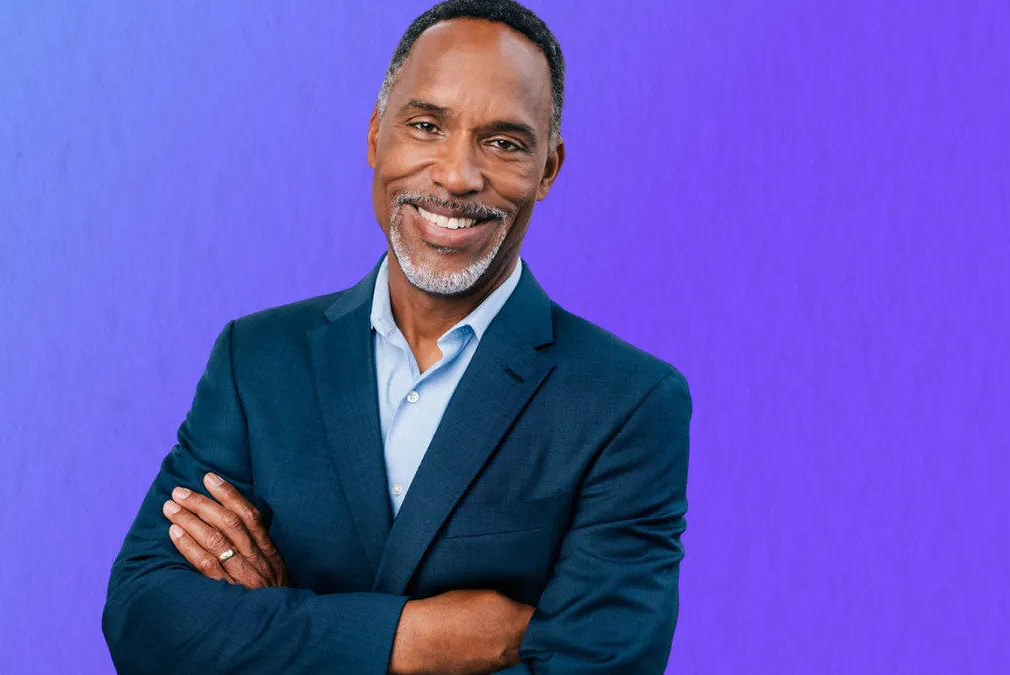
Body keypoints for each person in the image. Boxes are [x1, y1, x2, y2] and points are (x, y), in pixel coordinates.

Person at [102, 1, 692, 673]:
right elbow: (144, 617)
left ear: (548, 169)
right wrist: (410, 638)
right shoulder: (255, 360)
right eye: (425, 125)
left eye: (504, 142)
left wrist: (272, 626)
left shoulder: (629, 402)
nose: (455, 175)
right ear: (376, 135)